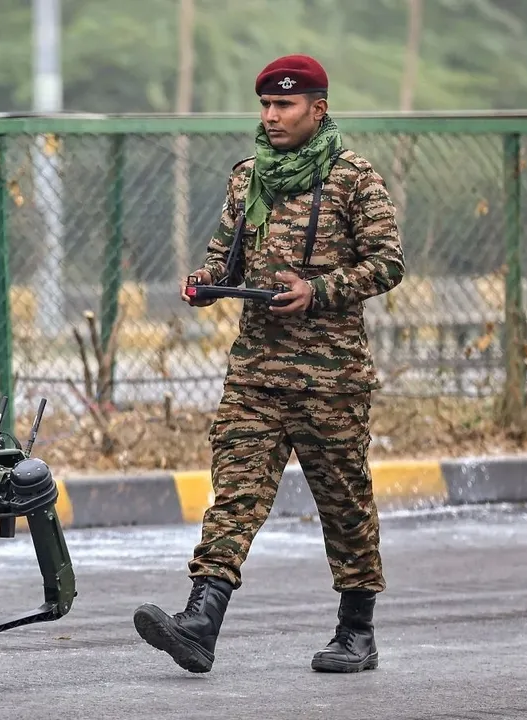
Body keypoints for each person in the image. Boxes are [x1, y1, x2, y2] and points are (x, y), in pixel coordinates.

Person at [132, 54, 405, 675]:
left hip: (330, 380)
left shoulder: (353, 178)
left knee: (344, 504)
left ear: (319, 108)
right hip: (255, 374)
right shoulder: (249, 177)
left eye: (284, 105)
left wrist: (321, 290)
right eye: (265, 105)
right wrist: (205, 282)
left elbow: (388, 263)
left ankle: (356, 631)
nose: (272, 116)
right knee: (234, 496)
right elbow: (224, 256)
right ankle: (200, 622)